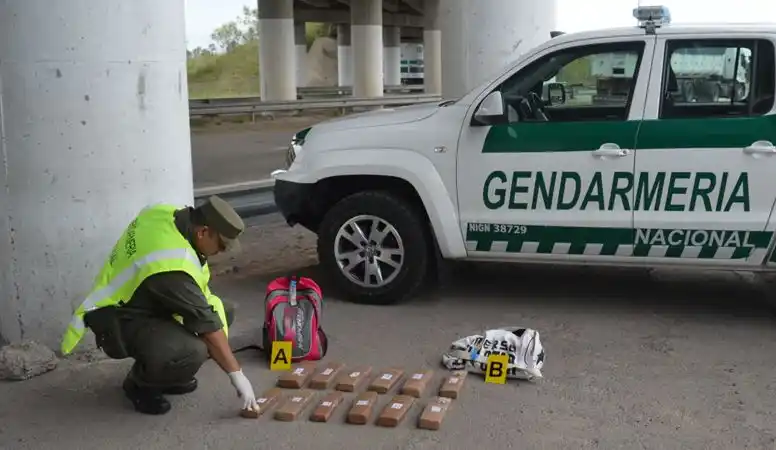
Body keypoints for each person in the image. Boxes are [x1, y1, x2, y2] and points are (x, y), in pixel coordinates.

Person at [60, 196, 259, 415]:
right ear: (202, 232)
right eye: (221, 245)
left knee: (224, 312)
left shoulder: (165, 213)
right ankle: (140, 384)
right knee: (194, 349)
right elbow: (205, 323)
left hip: (145, 301)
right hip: (118, 318)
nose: (221, 251)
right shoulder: (171, 264)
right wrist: (237, 375)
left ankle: (168, 373)